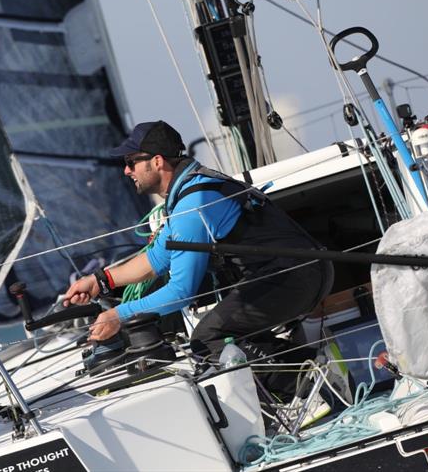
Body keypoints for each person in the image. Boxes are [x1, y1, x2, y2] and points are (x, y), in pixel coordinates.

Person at [63, 120, 333, 359]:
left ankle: (305, 380)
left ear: (157, 161)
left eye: (131, 162)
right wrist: (100, 281)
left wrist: (118, 315)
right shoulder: (188, 192)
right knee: (223, 333)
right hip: (295, 273)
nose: (126, 170)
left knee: (207, 339)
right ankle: (309, 367)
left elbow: (182, 291)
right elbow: (155, 259)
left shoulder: (193, 204)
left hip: (292, 277)